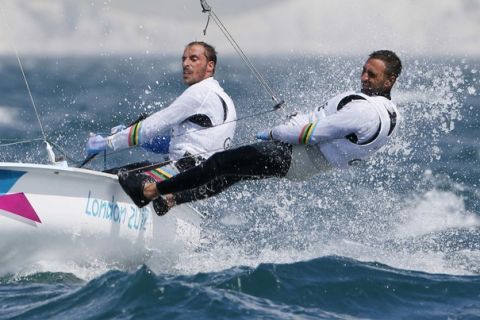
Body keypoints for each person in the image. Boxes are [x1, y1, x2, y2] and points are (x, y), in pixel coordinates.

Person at [120, 50, 402, 216]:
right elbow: (324, 126)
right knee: (232, 175)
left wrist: (275, 132)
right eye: (364, 71)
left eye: (372, 75)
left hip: (296, 154)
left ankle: (149, 190)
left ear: (390, 80)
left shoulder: (363, 111)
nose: (364, 77)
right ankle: (173, 199)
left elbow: (311, 134)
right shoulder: (390, 112)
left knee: (220, 163)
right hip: (307, 165)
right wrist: (299, 124)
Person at [85, 41, 237, 211]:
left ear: (210, 66)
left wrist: (109, 142)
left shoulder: (200, 93)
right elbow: (191, 144)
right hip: (199, 182)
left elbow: (151, 126)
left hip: (183, 171)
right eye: (184, 59)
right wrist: (142, 141)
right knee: (136, 168)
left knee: (112, 177)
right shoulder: (226, 100)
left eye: (194, 59)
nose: (186, 64)